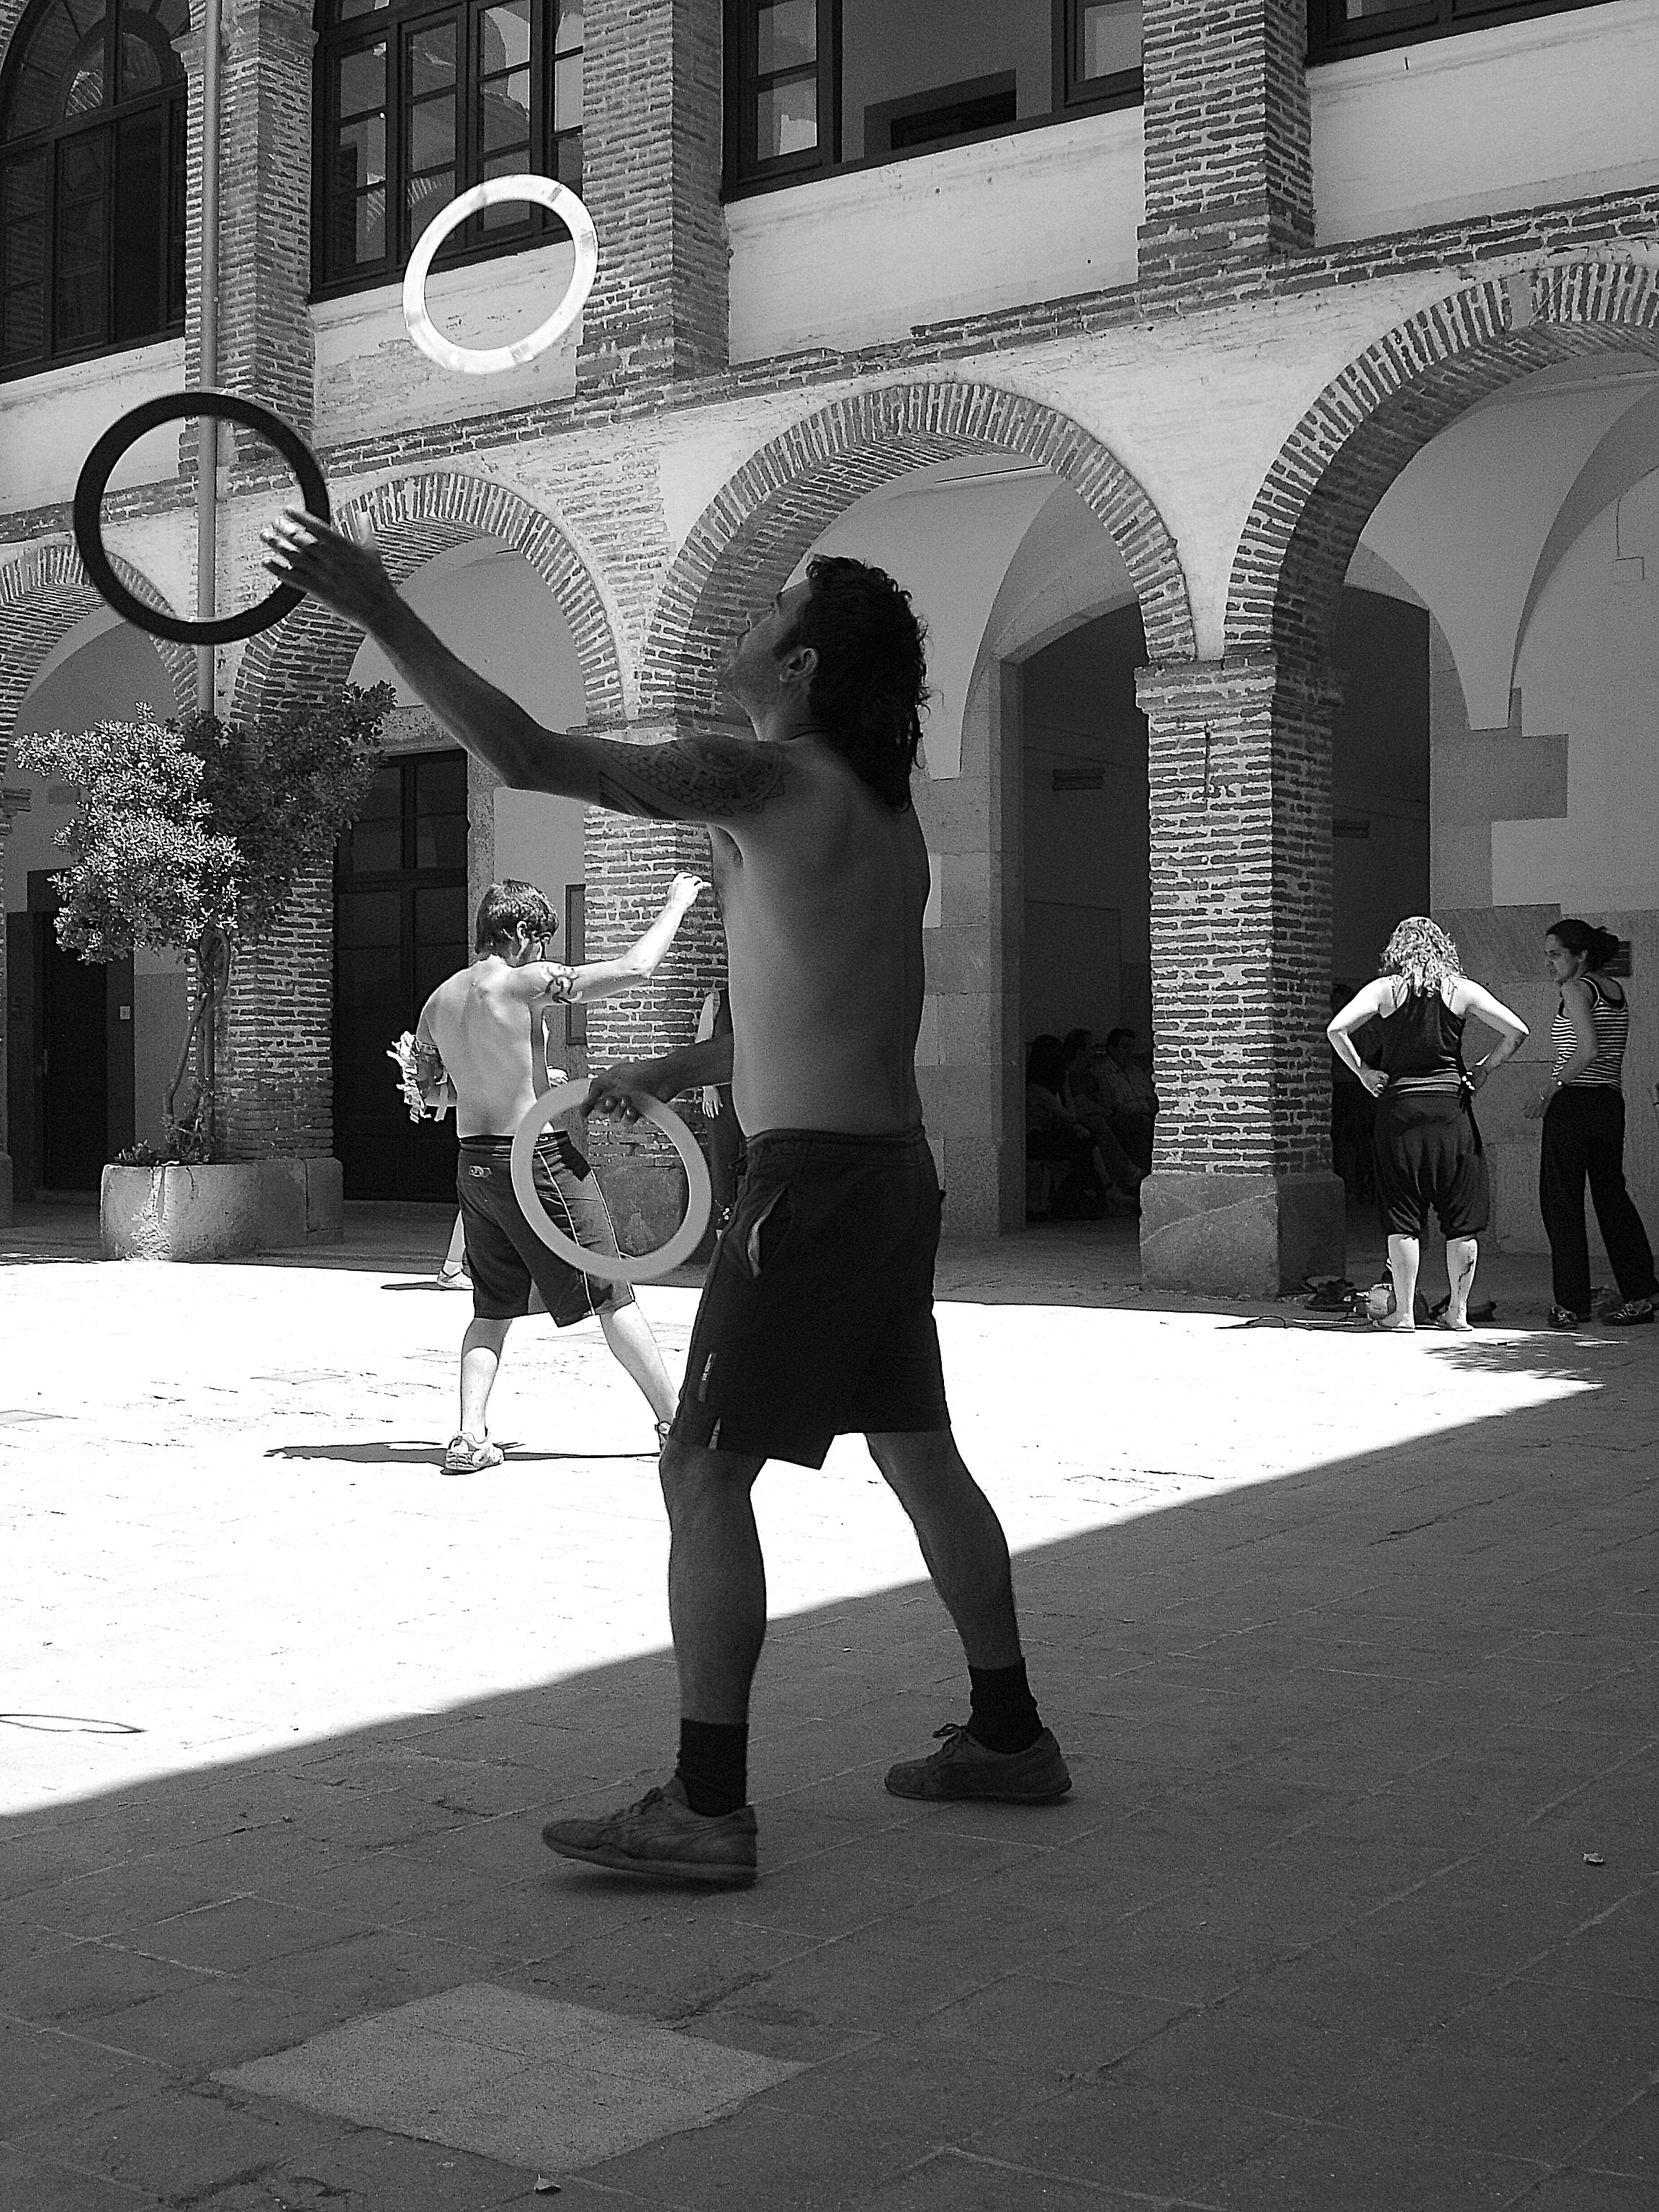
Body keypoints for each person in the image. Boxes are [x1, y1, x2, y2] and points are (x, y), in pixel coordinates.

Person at [264, 514, 1069, 1887]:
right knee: (916, 1452)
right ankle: (1006, 1733)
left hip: (807, 1188)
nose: (743, 617)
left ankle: (705, 1803)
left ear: (800, 660)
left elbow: (528, 759)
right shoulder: (880, 812)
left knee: (698, 1470)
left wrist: (381, 607)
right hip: (890, 1174)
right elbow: (820, 1006)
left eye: (767, 604)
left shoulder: (762, 773)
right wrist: (676, 1062)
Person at [411, 875, 703, 1472]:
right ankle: (678, 1426)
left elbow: (434, 1093)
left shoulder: (437, 1001)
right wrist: (677, 903)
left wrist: (434, 1086)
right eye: (541, 940)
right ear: (520, 933)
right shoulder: (526, 982)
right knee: (613, 1294)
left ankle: (469, 1436)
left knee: (491, 1307)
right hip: (535, 1160)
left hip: (476, 1165)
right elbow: (636, 968)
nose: (544, 954)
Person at [1328, 917, 1529, 1334]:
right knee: (1461, 1218)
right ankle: (1457, 1312)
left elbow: (1337, 1028)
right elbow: (1517, 1030)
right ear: (1443, 948)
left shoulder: (1386, 989)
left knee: (1403, 1218)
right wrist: (1485, 1069)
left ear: (1397, 950)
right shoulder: (1462, 990)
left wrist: (1364, 1071)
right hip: (1450, 1110)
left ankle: (1403, 1314)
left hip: (1398, 1112)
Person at [1525, 919, 1656, 1330]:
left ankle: (1571, 1303)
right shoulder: (1612, 989)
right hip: (1607, 1104)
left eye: (1556, 955)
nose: (1550, 964)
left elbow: (1587, 1049)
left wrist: (1550, 1089)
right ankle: (1641, 1292)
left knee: (1561, 1202)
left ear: (1579, 956)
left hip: (1576, 1103)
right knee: (1611, 1198)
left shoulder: (1576, 989)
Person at [1025, 1035, 1109, 1219]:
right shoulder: (1038, 1091)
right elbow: (1070, 1115)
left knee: (1084, 1137)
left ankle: (1098, 1187)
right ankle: (1102, 1186)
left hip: (1044, 1135)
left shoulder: (1044, 1090)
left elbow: (1063, 1120)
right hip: (1034, 1140)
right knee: (1085, 1141)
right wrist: (1066, 1086)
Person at [1060, 1028, 1143, 1199]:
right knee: (1105, 1125)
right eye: (1090, 1048)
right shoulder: (1069, 1076)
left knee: (1137, 1123)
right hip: (1083, 1119)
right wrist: (1105, 1110)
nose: (1095, 1053)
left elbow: (1104, 1098)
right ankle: (1127, 1174)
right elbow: (1081, 1104)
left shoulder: (1091, 1075)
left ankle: (1132, 1178)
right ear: (1079, 1051)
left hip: (1104, 1115)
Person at [1096, 1027, 1159, 1177]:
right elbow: (1116, 1105)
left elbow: (1151, 1099)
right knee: (1142, 1124)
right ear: (1112, 1048)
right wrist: (1142, 1107)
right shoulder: (1103, 1074)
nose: (1130, 1052)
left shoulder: (1136, 1071)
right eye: (1125, 1047)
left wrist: (1143, 1107)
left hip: (1142, 1115)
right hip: (1122, 1119)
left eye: (1132, 1048)